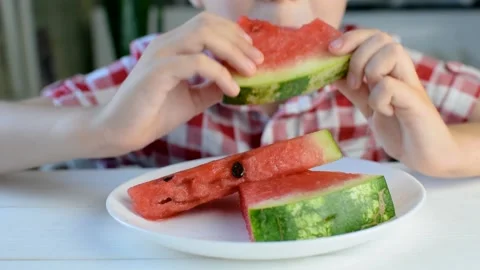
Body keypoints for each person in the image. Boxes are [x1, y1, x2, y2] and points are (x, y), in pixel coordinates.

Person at [5, 0, 480, 178]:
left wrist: (449, 152)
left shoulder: (385, 74)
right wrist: (100, 130)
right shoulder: (156, 73)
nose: (282, 0)